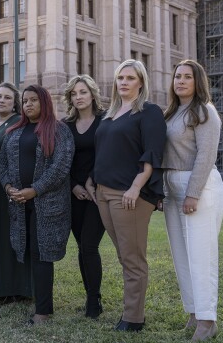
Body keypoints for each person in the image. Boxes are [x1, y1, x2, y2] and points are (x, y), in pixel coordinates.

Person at [85, 59, 166, 332]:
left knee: (132, 258)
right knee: (124, 255)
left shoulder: (149, 112)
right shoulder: (110, 114)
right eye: (120, 77)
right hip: (104, 192)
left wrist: (135, 186)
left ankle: (133, 318)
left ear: (141, 82)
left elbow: (153, 154)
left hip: (129, 194)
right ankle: (130, 311)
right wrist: (91, 179)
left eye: (130, 78)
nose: (123, 82)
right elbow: (104, 151)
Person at [0, 84, 74, 326]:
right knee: (29, 250)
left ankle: (43, 312)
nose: (28, 104)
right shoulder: (14, 131)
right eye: (25, 100)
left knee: (42, 254)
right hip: (20, 203)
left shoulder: (59, 130)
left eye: (33, 100)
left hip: (47, 204)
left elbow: (60, 167)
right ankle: (37, 300)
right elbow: (2, 165)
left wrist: (35, 190)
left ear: (45, 102)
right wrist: (9, 187)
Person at [162, 60, 223, 341]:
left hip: (198, 186)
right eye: (177, 76)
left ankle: (207, 320)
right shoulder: (172, 113)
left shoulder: (204, 111)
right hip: (173, 186)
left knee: (201, 255)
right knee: (181, 255)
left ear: (198, 81)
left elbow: (206, 155)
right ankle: (192, 312)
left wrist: (193, 193)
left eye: (187, 77)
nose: (181, 81)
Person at [62, 75, 105, 318]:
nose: (78, 97)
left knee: (89, 245)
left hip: (98, 193)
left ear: (92, 94)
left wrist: (91, 180)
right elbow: (58, 161)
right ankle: (91, 294)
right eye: (74, 94)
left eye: (82, 92)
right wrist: (73, 186)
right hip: (74, 194)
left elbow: (109, 155)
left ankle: (93, 300)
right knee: (82, 247)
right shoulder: (65, 125)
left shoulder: (105, 121)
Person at [0, 82, 31, 302]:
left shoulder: (18, 124)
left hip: (9, 186)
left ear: (15, 104)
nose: (1, 100)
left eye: (7, 98)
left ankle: (14, 288)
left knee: (11, 235)